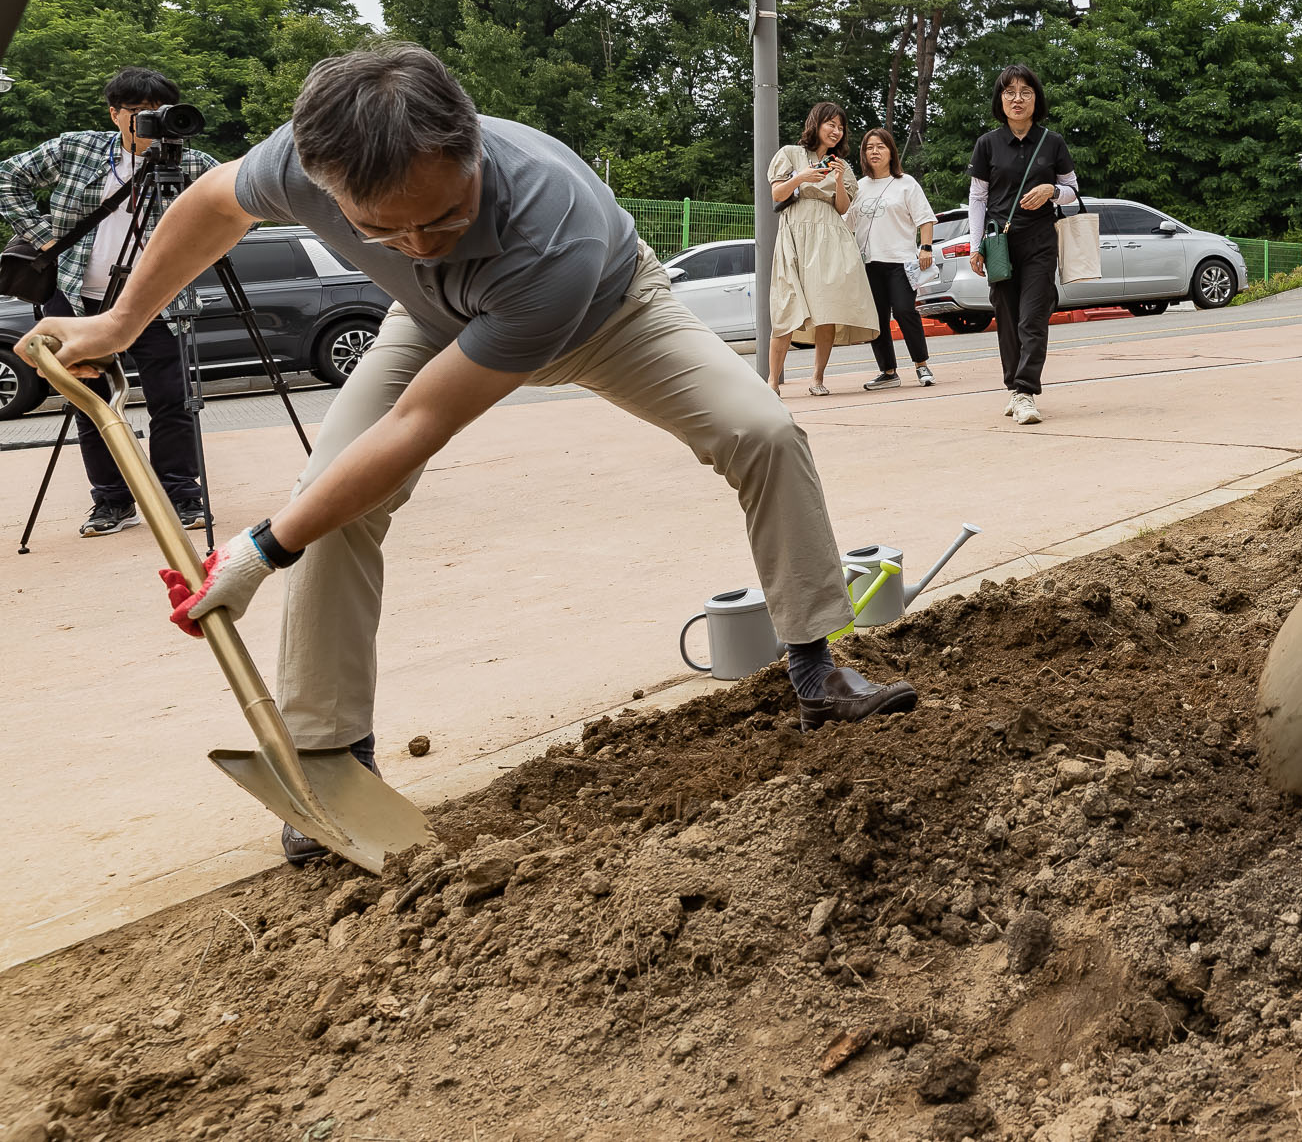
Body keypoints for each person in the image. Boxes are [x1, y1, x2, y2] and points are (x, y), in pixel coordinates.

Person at [18, 43, 916, 866]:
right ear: (327, 184)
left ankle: (816, 661)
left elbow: (417, 425)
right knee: (332, 501)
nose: (415, 243)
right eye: (383, 230)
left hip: (607, 308)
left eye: (444, 218)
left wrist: (258, 548)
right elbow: (210, 204)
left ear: (471, 149)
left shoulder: (547, 226)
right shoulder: (304, 159)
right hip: (431, 317)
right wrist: (118, 322)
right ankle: (330, 759)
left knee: (764, 432)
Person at [0, 66, 219, 534]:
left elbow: (237, 209)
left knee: (173, 402)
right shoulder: (77, 148)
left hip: (158, 303)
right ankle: (112, 503)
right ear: (115, 113)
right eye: (140, 112)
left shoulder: (193, 162)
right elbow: (7, 178)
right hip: (79, 300)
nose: (151, 120)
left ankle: (183, 497)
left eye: (161, 111)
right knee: (89, 401)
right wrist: (43, 237)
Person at [967, 66, 1078, 425]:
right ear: (1001, 99)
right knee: (1008, 319)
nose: (1018, 98)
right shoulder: (987, 144)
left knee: (1033, 319)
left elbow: (1074, 193)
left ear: (1036, 98)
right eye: (1010, 92)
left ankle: (1026, 392)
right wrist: (975, 245)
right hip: (999, 243)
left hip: (1041, 242)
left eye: (1025, 92)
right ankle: (1015, 389)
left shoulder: (1052, 142)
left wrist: (1052, 191)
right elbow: (978, 199)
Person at [767, 103, 879, 396]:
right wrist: (802, 177)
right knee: (786, 306)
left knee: (826, 308)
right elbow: (777, 194)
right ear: (816, 124)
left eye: (840, 127)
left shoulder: (841, 165)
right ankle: (772, 381)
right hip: (795, 231)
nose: (836, 131)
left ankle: (817, 378)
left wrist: (839, 180)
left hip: (830, 236)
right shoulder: (790, 153)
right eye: (831, 124)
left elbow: (842, 208)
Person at [848, 126, 938, 391]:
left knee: (904, 310)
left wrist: (926, 248)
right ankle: (888, 372)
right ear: (863, 154)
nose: (874, 151)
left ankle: (921, 364)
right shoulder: (858, 187)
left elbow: (926, 219)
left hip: (900, 260)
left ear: (891, 151)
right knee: (876, 318)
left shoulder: (906, 183)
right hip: (868, 263)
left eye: (880, 146)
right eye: (869, 147)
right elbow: (847, 223)